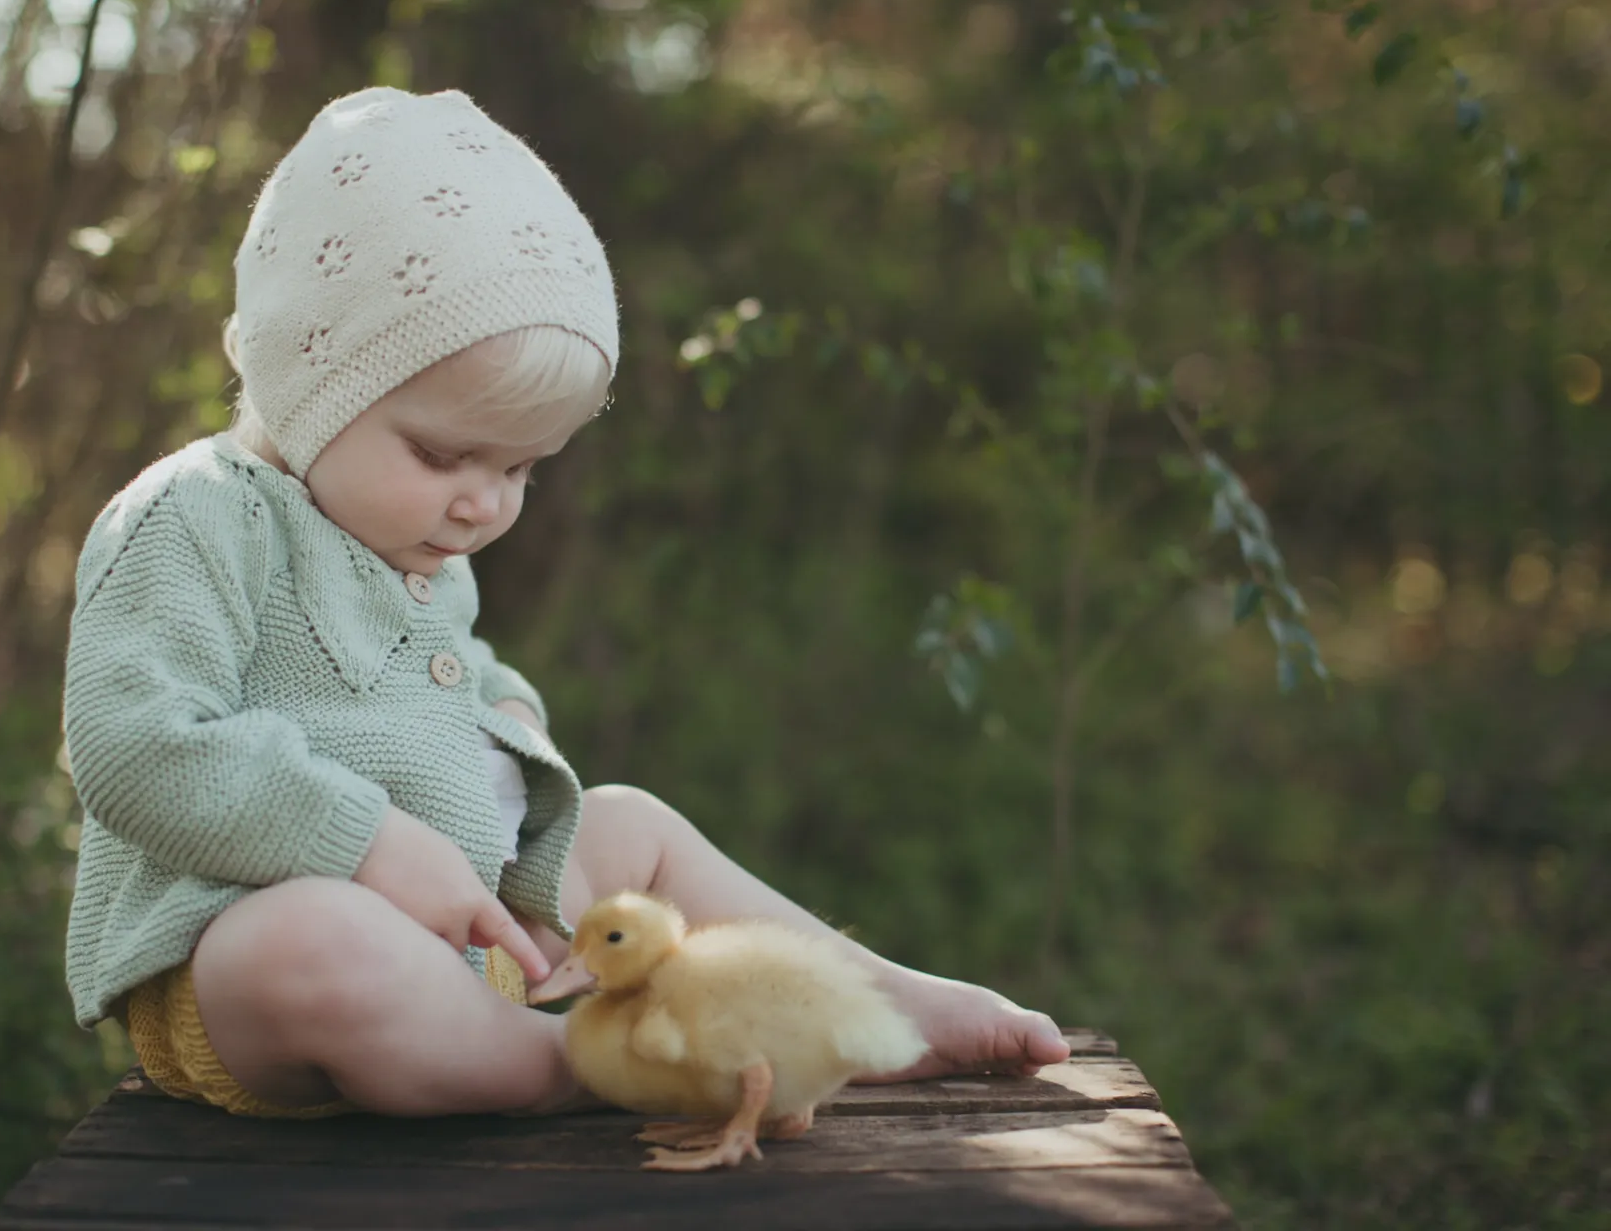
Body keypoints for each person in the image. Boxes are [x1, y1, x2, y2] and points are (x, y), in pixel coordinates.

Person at [61, 87, 1068, 1119]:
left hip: (472, 944)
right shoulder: (196, 518)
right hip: (244, 969)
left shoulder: (408, 529)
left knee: (632, 826)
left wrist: (511, 717)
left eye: (523, 469)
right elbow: (130, 743)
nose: (483, 501)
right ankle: (590, 1063)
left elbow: (444, 667)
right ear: (304, 375)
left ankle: (864, 1004)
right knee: (318, 936)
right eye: (445, 453)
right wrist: (361, 841)